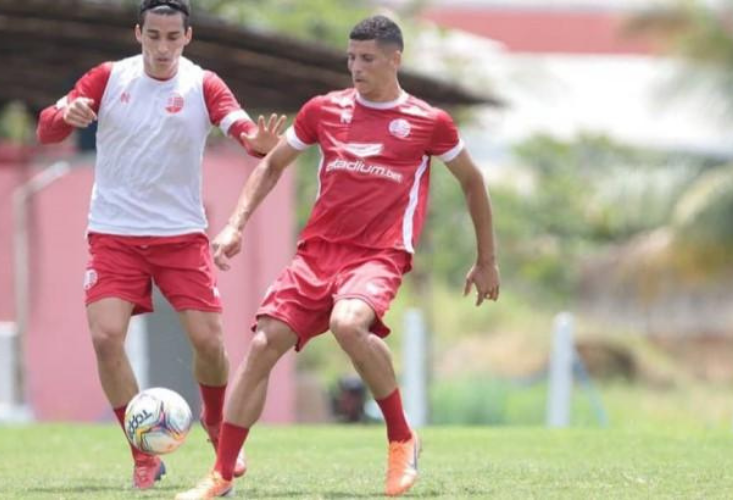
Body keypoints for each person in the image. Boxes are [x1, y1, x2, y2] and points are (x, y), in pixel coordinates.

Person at [176, 14, 499, 500]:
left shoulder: (428, 122)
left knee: (349, 323)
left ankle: (400, 438)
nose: (356, 67)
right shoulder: (323, 110)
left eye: (367, 58)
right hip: (317, 254)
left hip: (379, 254)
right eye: (351, 58)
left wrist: (486, 259)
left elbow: (473, 182)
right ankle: (221, 474)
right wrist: (235, 225)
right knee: (264, 344)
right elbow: (273, 165)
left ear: (395, 59)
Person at [36, 0, 285, 491]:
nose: (163, 47)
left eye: (173, 37)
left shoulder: (202, 84)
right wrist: (68, 111)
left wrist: (258, 141)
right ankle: (144, 454)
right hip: (114, 233)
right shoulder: (109, 78)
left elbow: (241, 129)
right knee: (106, 337)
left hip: (180, 236)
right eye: (154, 36)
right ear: (138, 33)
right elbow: (47, 130)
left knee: (209, 342)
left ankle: (216, 425)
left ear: (188, 37)